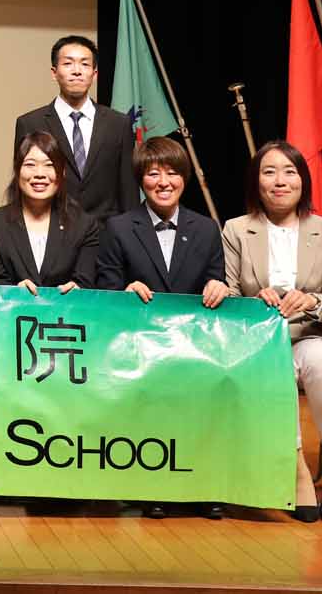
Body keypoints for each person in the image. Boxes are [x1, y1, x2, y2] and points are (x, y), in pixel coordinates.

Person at [95, 135, 228, 520]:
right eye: (153, 174)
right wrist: (124, 292)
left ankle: (204, 486)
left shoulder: (206, 229)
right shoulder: (119, 227)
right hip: (138, 342)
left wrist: (218, 287)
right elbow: (105, 289)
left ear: (185, 178)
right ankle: (155, 484)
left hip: (194, 345)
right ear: (141, 179)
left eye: (172, 173)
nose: (164, 182)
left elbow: (215, 279)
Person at [222, 140, 322, 522]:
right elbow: (229, 294)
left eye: (289, 172)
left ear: (302, 180)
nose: (280, 181)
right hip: (260, 342)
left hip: (311, 334)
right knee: (275, 370)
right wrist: (252, 301)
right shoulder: (236, 229)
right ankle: (296, 469)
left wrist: (311, 301)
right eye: (269, 172)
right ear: (256, 182)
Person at [13, 35, 137, 226]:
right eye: (68, 63)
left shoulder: (118, 124)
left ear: (94, 74)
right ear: (54, 72)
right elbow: (22, 185)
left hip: (106, 234)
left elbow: (128, 189)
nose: (77, 71)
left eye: (85, 64)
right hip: (51, 230)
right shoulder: (30, 123)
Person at [0, 130, 99, 293]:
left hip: (66, 308)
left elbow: (85, 282)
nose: (39, 174)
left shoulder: (84, 226)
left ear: (62, 172)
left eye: (49, 165)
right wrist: (13, 291)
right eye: (30, 165)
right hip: (10, 308)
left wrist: (78, 290)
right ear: (17, 170)